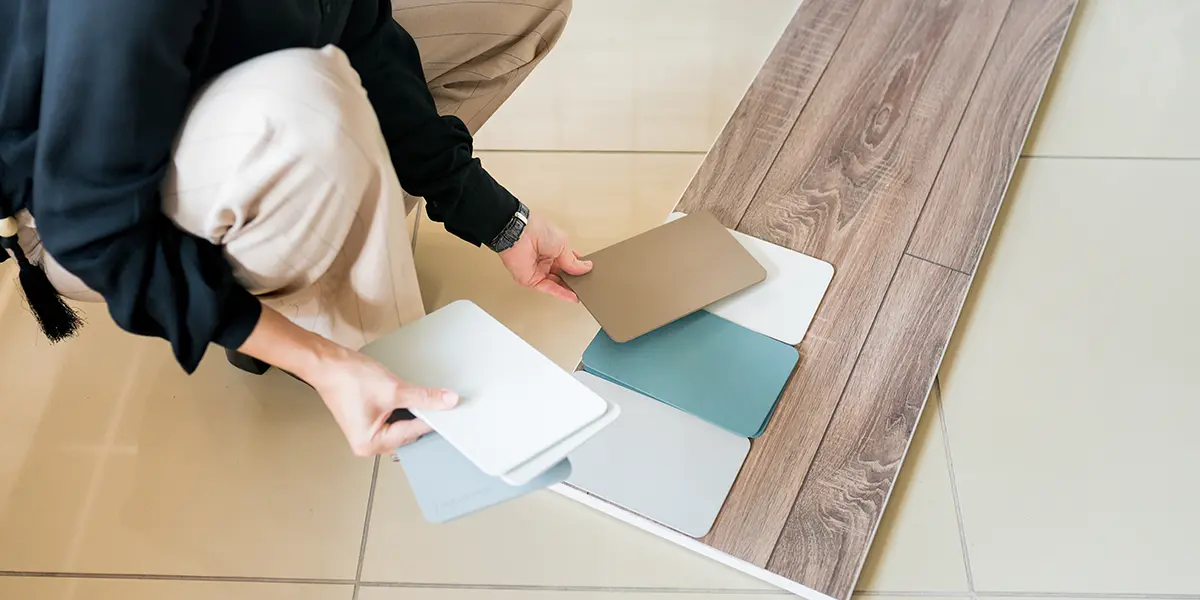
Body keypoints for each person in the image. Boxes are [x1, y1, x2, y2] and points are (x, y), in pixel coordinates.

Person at [0, 0, 590, 457]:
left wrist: (499, 218)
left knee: (519, 10)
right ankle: (344, 338)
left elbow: (367, 42)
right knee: (307, 105)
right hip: (71, 210)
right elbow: (91, 227)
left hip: (224, 88)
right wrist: (316, 359)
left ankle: (317, 238)